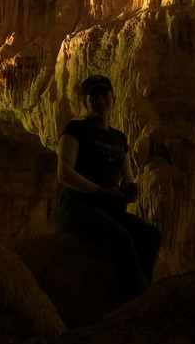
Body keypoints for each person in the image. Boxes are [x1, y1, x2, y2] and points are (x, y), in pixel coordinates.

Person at [56, 74, 161, 297]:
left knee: (151, 236)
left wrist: (131, 190)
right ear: (85, 101)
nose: (99, 100)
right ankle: (136, 298)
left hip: (109, 209)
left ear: (113, 98)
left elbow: (127, 175)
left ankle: (145, 293)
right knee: (121, 238)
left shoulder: (119, 139)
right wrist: (100, 191)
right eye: (92, 95)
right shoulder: (75, 130)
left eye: (103, 94)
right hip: (77, 207)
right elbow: (64, 174)